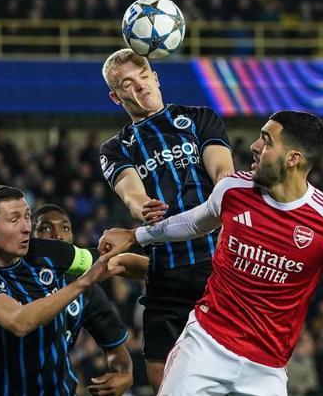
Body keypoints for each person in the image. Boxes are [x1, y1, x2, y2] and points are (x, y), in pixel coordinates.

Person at [100, 111, 323, 395]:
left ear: (293, 158)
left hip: (267, 367)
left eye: (266, 140)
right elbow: (193, 223)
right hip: (205, 345)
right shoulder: (233, 189)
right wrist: (135, 235)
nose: (254, 146)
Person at [98, 48, 234, 391]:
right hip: (165, 273)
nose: (140, 85)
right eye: (127, 84)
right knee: (161, 377)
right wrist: (141, 206)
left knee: (231, 366)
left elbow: (221, 166)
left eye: (144, 75)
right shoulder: (116, 147)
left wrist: (224, 183)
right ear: (115, 97)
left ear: (156, 78)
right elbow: (130, 190)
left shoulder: (199, 118)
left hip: (218, 264)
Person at [0, 203, 133, 396]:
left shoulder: (88, 292)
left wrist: (125, 373)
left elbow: (114, 346)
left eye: (65, 228)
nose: (57, 235)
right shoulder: (4, 279)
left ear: (72, 237)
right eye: (45, 228)